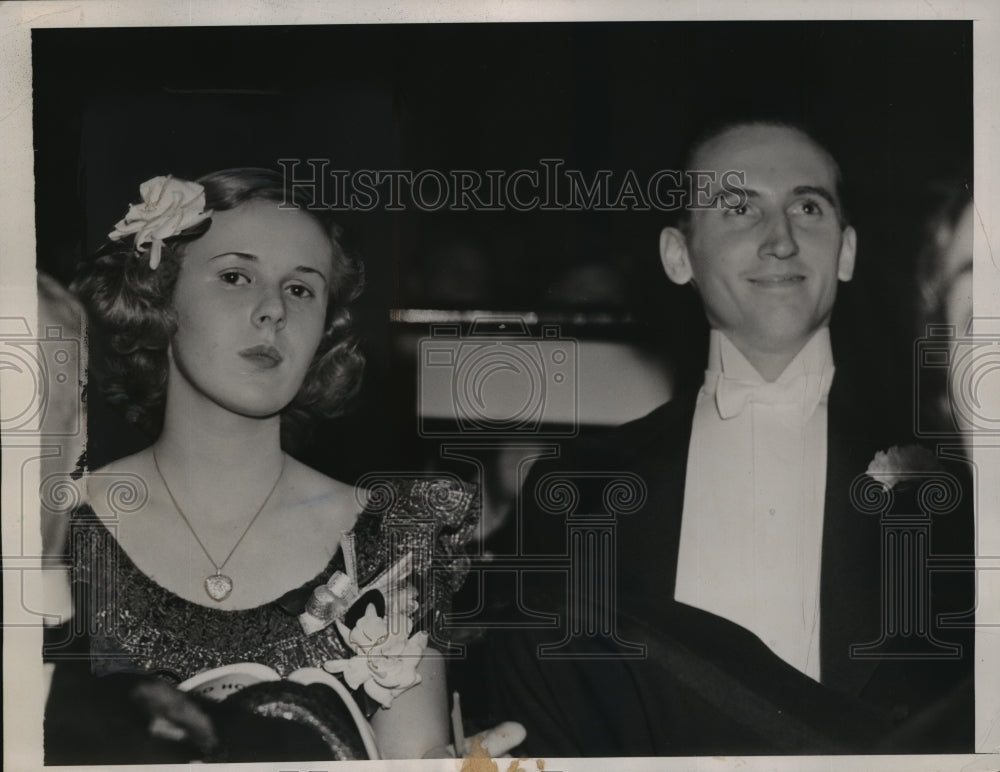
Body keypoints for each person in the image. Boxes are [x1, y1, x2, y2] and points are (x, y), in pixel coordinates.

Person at [477, 121, 975, 755]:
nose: (781, 240)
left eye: (808, 206)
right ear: (677, 256)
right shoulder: (572, 490)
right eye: (739, 208)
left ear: (845, 251)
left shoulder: (963, 489)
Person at [42, 169, 484, 762]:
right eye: (234, 277)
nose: (273, 310)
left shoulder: (392, 537)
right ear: (158, 298)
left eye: (301, 289)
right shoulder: (56, 526)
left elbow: (413, 758)